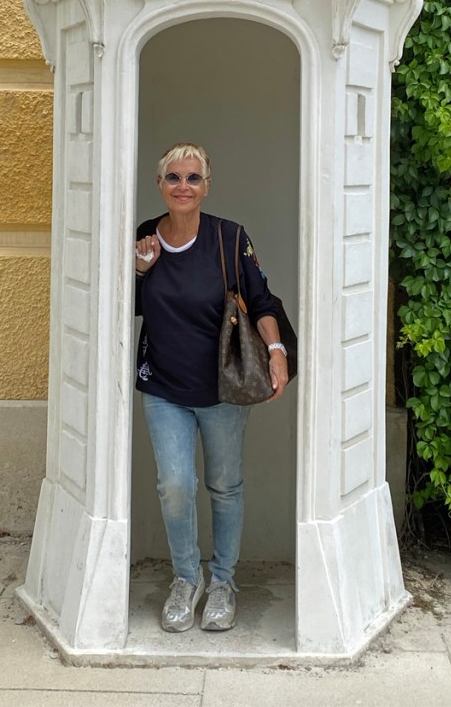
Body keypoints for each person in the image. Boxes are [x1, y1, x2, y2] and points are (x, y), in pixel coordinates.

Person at [134, 142, 288, 633]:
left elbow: (261, 301)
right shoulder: (144, 238)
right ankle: (186, 579)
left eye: (193, 178)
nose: (183, 186)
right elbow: (122, 305)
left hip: (223, 387)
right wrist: (138, 270)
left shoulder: (229, 237)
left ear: (206, 186)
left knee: (224, 486)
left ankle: (222, 582)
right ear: (159, 184)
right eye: (173, 177)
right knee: (175, 485)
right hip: (163, 384)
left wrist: (277, 352)